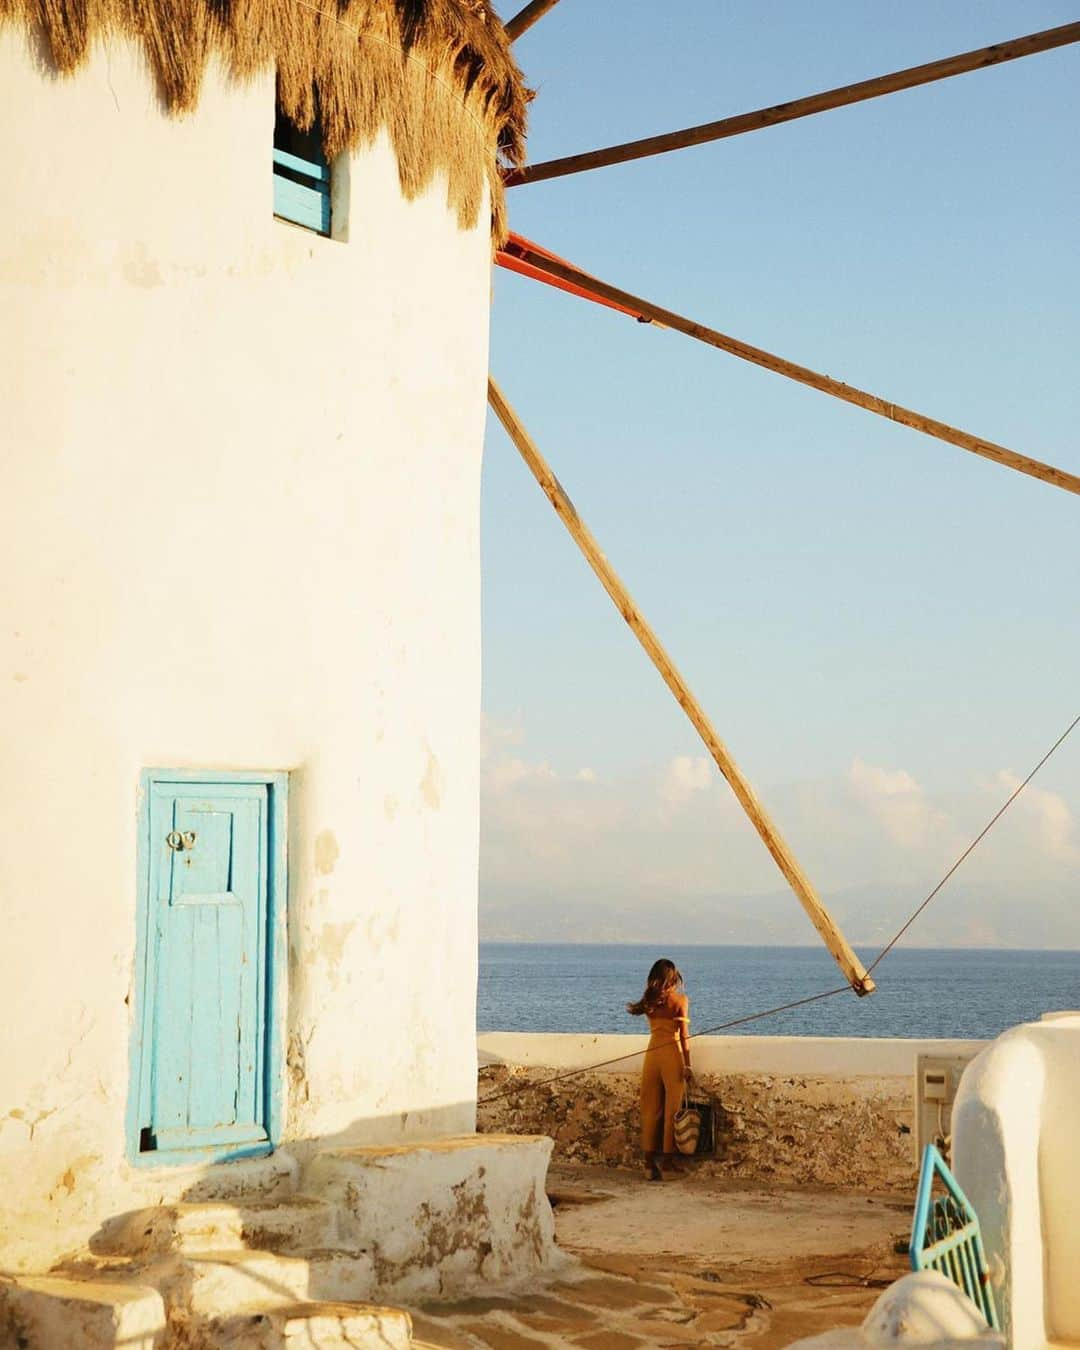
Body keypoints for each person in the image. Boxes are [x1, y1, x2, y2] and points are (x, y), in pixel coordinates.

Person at [626, 957, 692, 1180]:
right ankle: (667, 1163)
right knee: (672, 1107)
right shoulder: (680, 1001)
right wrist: (688, 1064)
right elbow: (684, 1036)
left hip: (652, 1053)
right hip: (671, 1053)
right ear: (673, 979)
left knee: (650, 1106)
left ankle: (648, 1164)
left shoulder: (649, 1001)